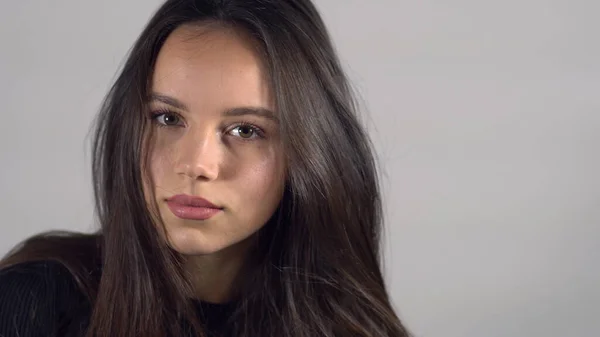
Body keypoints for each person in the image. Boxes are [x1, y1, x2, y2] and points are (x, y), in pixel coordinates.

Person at [0, 0, 410, 336]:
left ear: (309, 150)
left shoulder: (353, 327)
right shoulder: (33, 303)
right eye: (167, 118)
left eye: (245, 130)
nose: (195, 164)